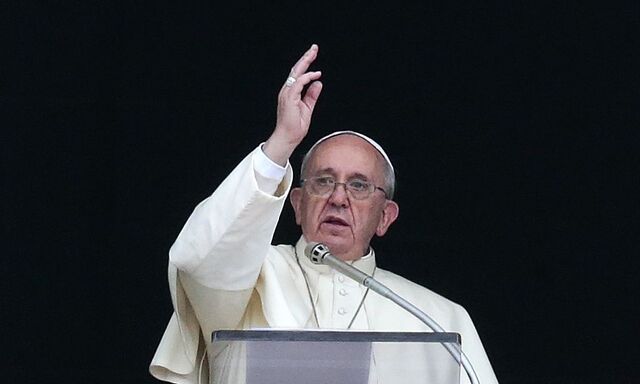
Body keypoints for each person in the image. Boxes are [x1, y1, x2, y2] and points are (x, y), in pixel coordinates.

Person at [150, 44, 499, 384]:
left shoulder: (437, 320)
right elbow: (198, 259)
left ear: (385, 217)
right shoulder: (249, 278)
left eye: (359, 185)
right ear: (297, 203)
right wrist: (281, 144)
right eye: (324, 181)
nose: (338, 197)